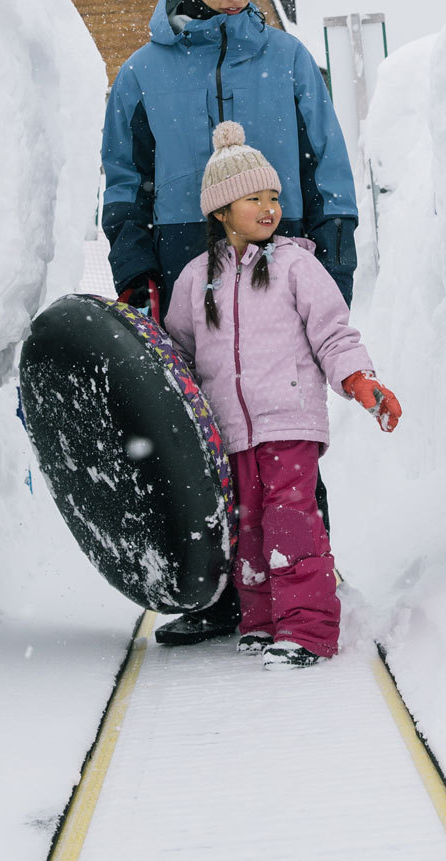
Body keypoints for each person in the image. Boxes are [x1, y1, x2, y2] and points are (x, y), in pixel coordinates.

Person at [102, 0, 364, 646]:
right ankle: (221, 592)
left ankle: (305, 577)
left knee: (282, 424)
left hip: (285, 255)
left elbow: (326, 160)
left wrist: (333, 258)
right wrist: (137, 270)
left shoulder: (286, 60)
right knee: (203, 437)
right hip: (187, 264)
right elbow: (124, 183)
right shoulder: (141, 75)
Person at [163, 122, 401, 669]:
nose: (269, 208)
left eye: (274, 197)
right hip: (230, 432)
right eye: (255, 198)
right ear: (222, 210)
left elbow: (333, 334)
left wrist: (359, 380)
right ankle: (263, 620)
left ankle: (308, 629)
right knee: (246, 532)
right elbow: (178, 355)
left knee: (290, 526)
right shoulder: (196, 279)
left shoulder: (296, 265)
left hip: (289, 423)